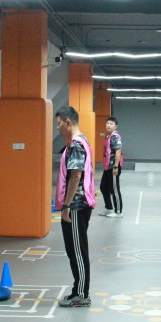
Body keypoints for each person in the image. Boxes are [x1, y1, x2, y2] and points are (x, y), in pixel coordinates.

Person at [55, 106, 96, 307]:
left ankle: (81, 294)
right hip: (77, 205)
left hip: (76, 206)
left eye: (59, 124)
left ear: (68, 122)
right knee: (74, 251)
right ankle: (77, 290)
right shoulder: (81, 141)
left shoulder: (76, 145)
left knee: (78, 251)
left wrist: (66, 205)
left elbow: (75, 176)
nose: (58, 128)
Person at [99, 116, 124, 218]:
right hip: (107, 167)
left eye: (111, 124)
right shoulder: (108, 136)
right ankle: (108, 208)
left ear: (115, 126)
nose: (108, 125)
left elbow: (118, 151)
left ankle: (118, 212)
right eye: (107, 123)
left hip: (113, 167)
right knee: (103, 187)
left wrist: (115, 166)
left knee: (114, 190)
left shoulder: (115, 137)